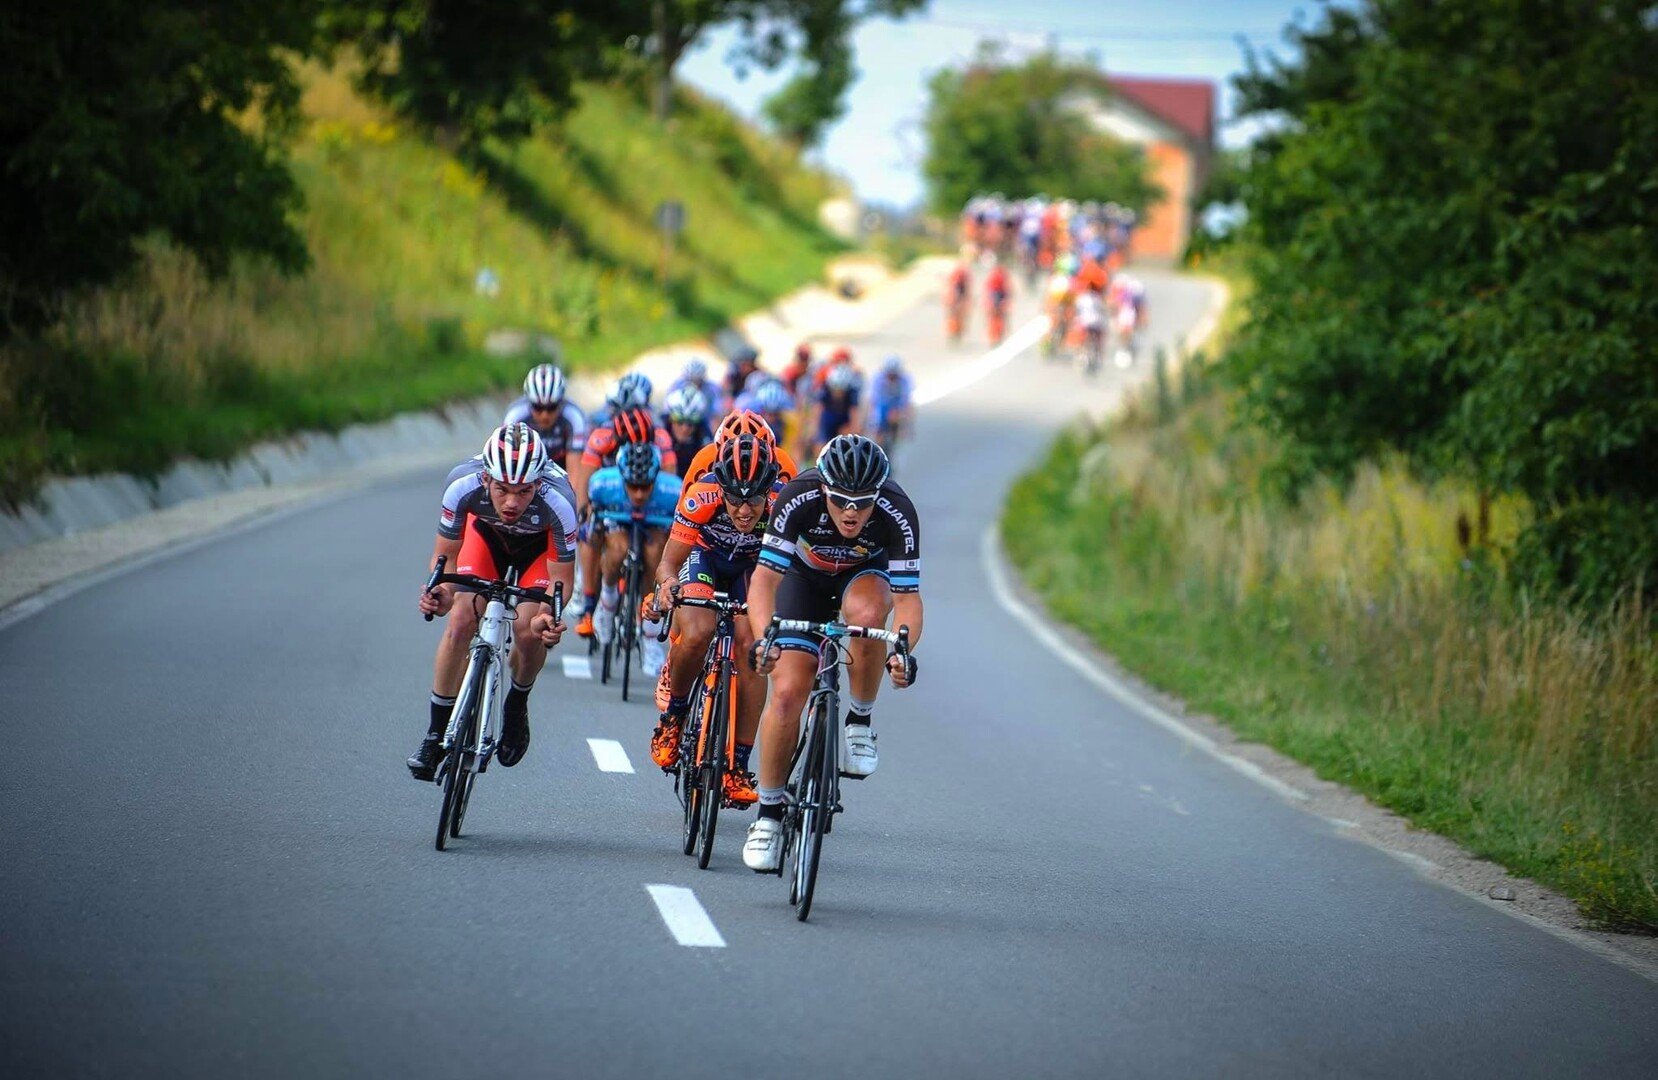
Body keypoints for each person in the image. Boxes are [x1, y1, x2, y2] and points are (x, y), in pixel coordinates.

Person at [741, 435, 921, 872]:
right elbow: (764, 581)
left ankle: (859, 722)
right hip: (802, 580)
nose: (851, 512)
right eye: (840, 500)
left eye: (863, 502)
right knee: (788, 693)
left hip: (863, 577)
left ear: (879, 494)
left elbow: (908, 600)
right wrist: (765, 640)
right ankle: (768, 817)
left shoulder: (898, 509)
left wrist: (902, 652)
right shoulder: (797, 496)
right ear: (823, 488)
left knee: (869, 614)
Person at [409, 424, 576, 780]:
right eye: (502, 489)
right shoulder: (461, 485)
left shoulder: (559, 501)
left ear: (539, 484)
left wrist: (548, 615)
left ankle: (517, 702)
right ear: (486, 479)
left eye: (524, 491)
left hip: (538, 550)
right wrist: (443, 593)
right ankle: (434, 735)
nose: (512, 502)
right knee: (460, 620)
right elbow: (445, 558)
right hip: (485, 539)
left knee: (527, 630)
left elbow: (561, 580)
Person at [643, 435, 784, 804]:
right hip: (704, 558)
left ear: (768, 491)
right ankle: (673, 720)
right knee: (698, 631)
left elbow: (792, 574)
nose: (744, 510)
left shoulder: (782, 505)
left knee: (751, 651)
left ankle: (737, 767)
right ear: (721, 488)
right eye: (734, 499)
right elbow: (668, 563)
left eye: (754, 500)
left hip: (752, 569)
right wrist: (669, 586)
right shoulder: (701, 496)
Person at [570, 405, 678, 637]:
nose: (637, 446)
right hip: (612, 496)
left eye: (644, 443)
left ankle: (646, 619)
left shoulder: (662, 439)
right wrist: (584, 510)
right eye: (628, 443)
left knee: (656, 547)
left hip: (648, 498)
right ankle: (588, 598)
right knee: (591, 530)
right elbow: (585, 485)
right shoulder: (601, 439)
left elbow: (668, 482)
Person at [587, 442, 681, 678]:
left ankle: (650, 635)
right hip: (618, 520)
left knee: (655, 553)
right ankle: (607, 599)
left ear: (656, 479)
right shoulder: (601, 484)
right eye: (632, 486)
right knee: (617, 549)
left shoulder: (673, 491)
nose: (639, 494)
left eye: (645, 487)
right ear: (622, 478)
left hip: (654, 523)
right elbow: (592, 530)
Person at [502, 364, 588, 472]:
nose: (545, 415)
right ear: (529, 402)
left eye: (552, 407)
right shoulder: (515, 415)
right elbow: (506, 465)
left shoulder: (574, 416)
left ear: (561, 402)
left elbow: (575, 473)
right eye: (538, 407)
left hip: (562, 471)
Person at [810, 361, 863, 459]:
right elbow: (818, 411)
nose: (838, 393)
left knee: (847, 440)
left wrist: (854, 435)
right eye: (835, 389)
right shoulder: (824, 390)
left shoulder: (852, 393)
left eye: (841, 390)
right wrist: (814, 430)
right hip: (828, 419)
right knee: (820, 445)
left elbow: (854, 415)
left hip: (843, 420)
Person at [661, 385, 713, 478]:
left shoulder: (703, 432)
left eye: (691, 423)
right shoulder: (661, 428)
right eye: (679, 421)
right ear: (670, 419)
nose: (684, 428)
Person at [868, 355, 914, 455]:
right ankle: (877, 449)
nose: (891, 378)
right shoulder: (877, 378)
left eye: (894, 376)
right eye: (889, 375)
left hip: (896, 405)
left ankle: (893, 437)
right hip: (882, 404)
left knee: (896, 419)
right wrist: (873, 422)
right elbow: (873, 401)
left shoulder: (905, 380)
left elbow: (907, 402)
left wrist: (906, 424)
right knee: (878, 425)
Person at [984, 259, 1011, 345]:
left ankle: (997, 333)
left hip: (999, 294)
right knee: (995, 314)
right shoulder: (995, 276)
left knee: (999, 315)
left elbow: (1007, 289)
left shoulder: (1002, 274)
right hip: (995, 294)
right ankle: (994, 334)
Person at [945, 259, 972, 341]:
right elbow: (952, 287)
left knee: (958, 314)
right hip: (956, 294)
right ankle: (954, 330)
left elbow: (966, 288)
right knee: (955, 314)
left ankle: (956, 330)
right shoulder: (957, 275)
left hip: (959, 294)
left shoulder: (962, 274)